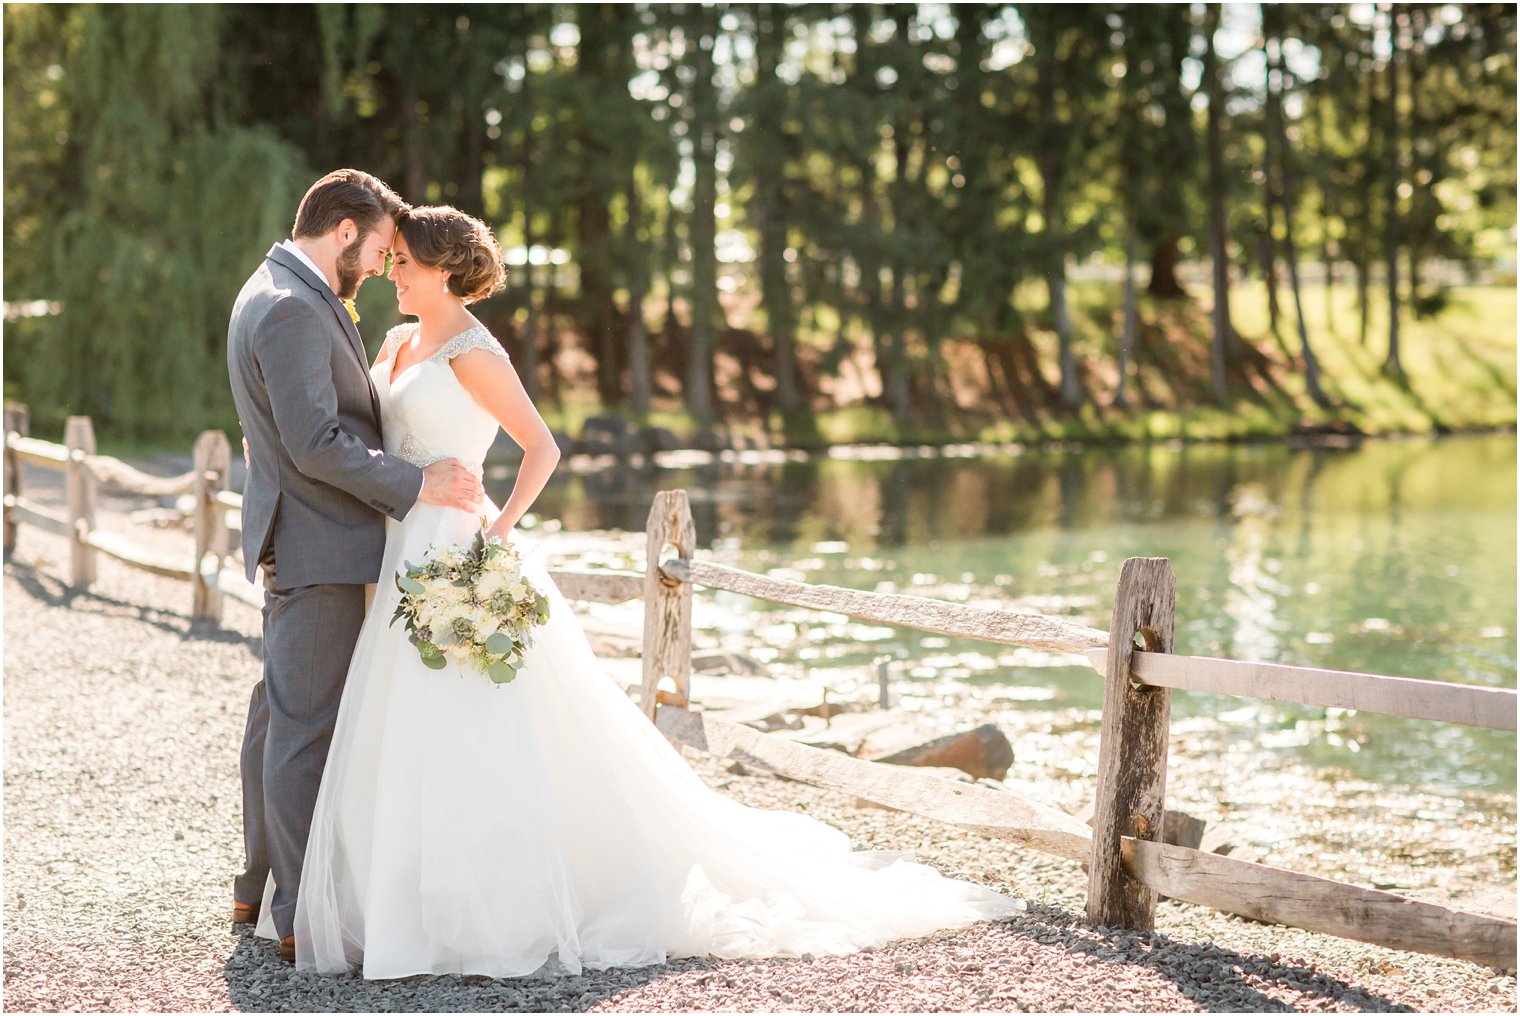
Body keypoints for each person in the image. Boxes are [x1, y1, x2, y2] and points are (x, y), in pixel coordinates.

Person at [269, 204, 1023, 979]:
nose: (391, 273)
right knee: (398, 725)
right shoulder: (394, 343)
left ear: (444, 269)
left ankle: (485, 910)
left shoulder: (473, 350)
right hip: (400, 548)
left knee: (473, 721)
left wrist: (495, 538)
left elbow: (543, 448)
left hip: (459, 549)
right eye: (391, 262)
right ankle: (394, 904)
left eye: (404, 263)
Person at [226, 170, 485, 963]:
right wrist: (416, 483)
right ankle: (303, 915)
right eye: (376, 249)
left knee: (277, 711)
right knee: (304, 729)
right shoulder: (294, 308)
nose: (378, 266)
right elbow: (314, 443)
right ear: (344, 231)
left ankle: (256, 883)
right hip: (318, 542)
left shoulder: (276, 291)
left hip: (307, 537)